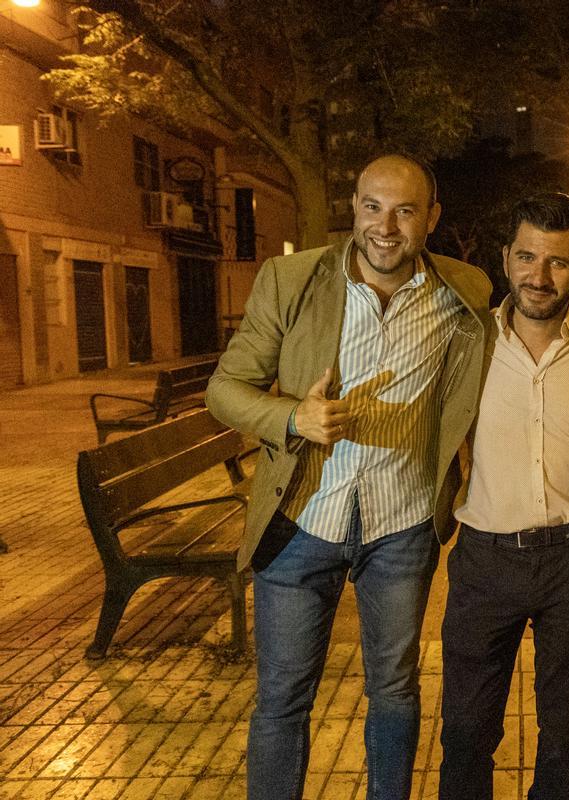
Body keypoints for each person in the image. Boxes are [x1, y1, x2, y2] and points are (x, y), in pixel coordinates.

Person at [206, 153, 492, 800]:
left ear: (432, 218)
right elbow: (224, 390)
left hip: (403, 525)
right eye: (371, 207)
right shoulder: (291, 280)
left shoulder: (464, 293)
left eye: (405, 210)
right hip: (302, 518)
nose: (384, 227)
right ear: (354, 209)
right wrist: (292, 417)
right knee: (282, 696)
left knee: (393, 688)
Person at [439, 193, 569, 800]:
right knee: (466, 729)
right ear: (504, 258)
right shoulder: (466, 343)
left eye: (558, 262)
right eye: (525, 256)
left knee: (563, 731)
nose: (538, 277)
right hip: (485, 558)